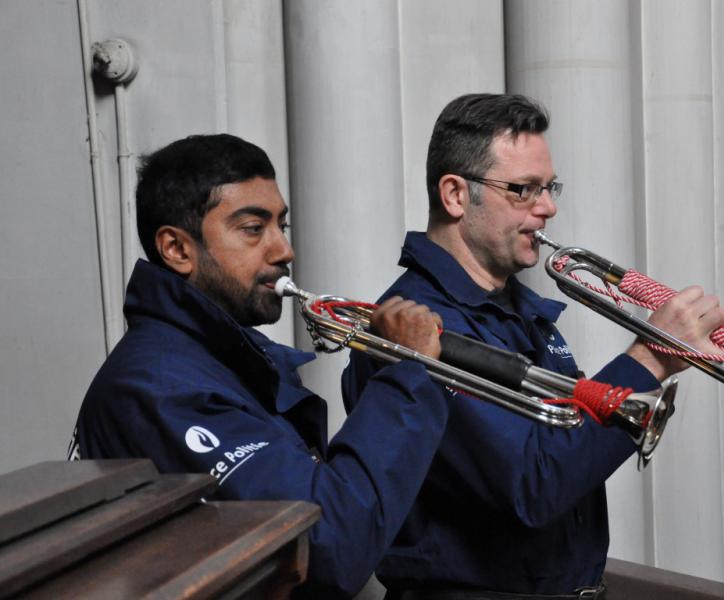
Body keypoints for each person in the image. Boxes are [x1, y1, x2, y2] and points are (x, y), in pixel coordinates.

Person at [342, 94, 724, 599]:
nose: (548, 209)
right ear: (456, 195)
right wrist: (650, 357)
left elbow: (567, 442)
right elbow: (536, 484)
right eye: (523, 190)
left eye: (549, 188)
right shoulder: (416, 328)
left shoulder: (520, 312)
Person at [71, 133, 450, 599]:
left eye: (281, 226)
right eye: (253, 228)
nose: (282, 250)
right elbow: (329, 547)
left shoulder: (218, 361)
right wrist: (406, 376)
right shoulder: (157, 387)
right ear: (177, 249)